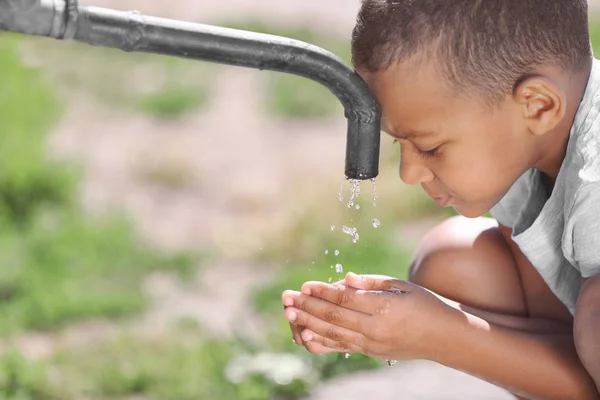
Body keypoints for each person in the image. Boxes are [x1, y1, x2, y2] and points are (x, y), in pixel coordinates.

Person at [281, 1, 600, 399]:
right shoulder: (526, 153)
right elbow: (568, 351)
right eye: (401, 144)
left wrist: (440, 334)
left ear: (538, 106)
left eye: (429, 147)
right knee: (454, 262)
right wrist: (398, 322)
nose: (408, 174)